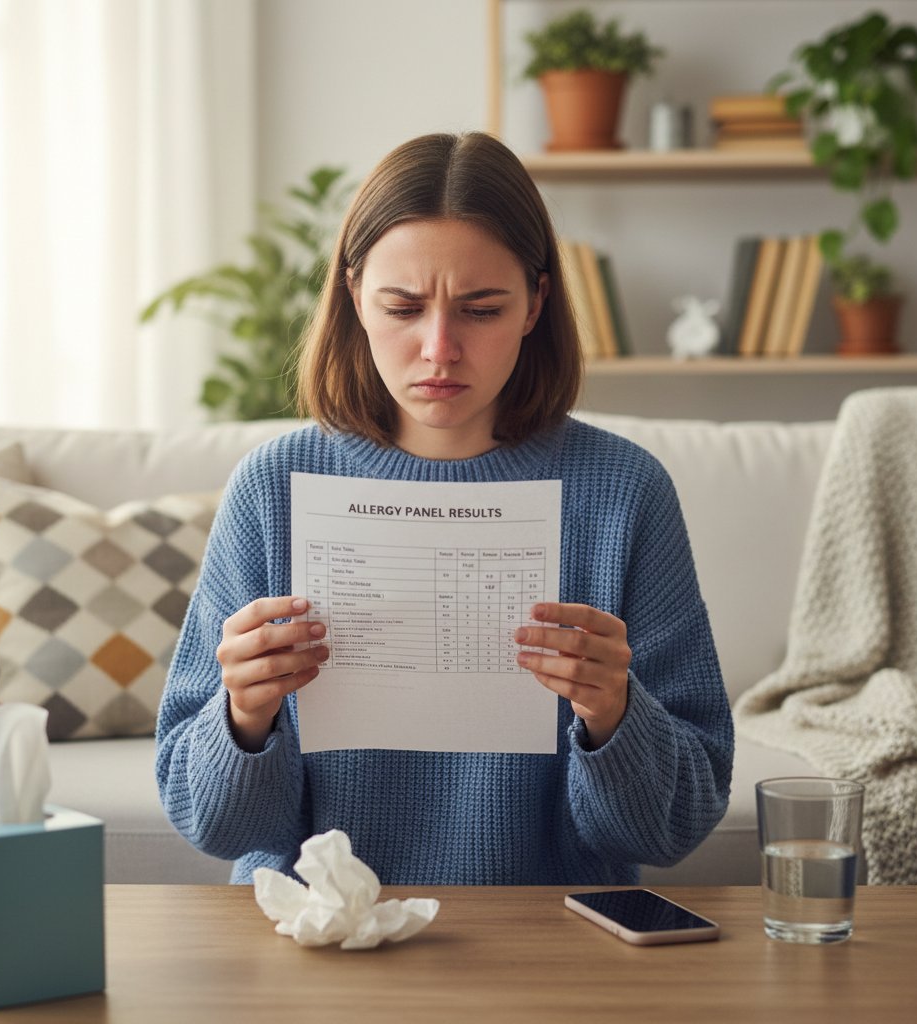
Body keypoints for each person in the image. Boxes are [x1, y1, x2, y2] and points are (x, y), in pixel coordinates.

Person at [155, 131, 733, 886]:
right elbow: (213, 824)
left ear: (535, 304)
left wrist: (615, 715)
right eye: (402, 307)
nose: (438, 349)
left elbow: (677, 824)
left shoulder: (625, 492)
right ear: (355, 296)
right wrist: (243, 719)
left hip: (547, 943)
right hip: (316, 939)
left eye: (481, 310)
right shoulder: (273, 486)